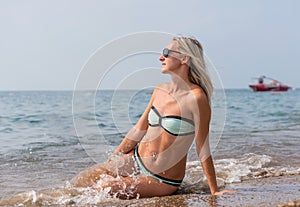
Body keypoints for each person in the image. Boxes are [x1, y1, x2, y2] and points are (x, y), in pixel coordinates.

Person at [71, 36, 234, 198]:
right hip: (136, 159)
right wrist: (114, 158)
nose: (160, 57)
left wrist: (214, 190)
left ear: (184, 58)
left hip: (162, 178)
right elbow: (139, 129)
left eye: (166, 52)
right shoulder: (160, 90)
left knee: (104, 189)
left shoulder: (197, 98)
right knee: (81, 180)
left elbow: (202, 148)